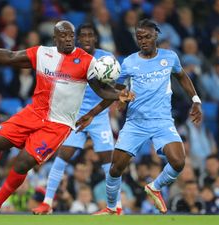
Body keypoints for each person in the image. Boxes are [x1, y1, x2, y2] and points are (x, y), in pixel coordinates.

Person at [0, 20, 134, 215]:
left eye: (71, 36)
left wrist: (118, 95)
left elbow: (101, 89)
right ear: (55, 38)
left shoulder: (87, 61)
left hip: (58, 124)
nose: (68, 39)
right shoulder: (42, 53)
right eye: (63, 36)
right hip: (33, 113)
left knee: (23, 162)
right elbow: (12, 57)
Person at [77, 19, 202, 214]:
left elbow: (182, 76)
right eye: (139, 37)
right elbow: (115, 92)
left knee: (178, 162)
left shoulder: (169, 57)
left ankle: (155, 187)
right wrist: (94, 112)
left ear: (155, 36)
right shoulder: (129, 62)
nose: (143, 41)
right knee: (115, 168)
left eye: (147, 37)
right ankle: (112, 208)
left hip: (162, 122)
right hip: (135, 123)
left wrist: (195, 99)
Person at [31, 23, 122, 215]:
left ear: (95, 38)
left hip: (98, 116)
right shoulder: (72, 57)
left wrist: (120, 95)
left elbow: (111, 90)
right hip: (74, 116)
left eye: (90, 35)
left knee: (109, 161)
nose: (87, 39)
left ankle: (117, 207)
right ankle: (47, 203)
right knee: (62, 156)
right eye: (83, 36)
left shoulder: (106, 59)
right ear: (78, 39)